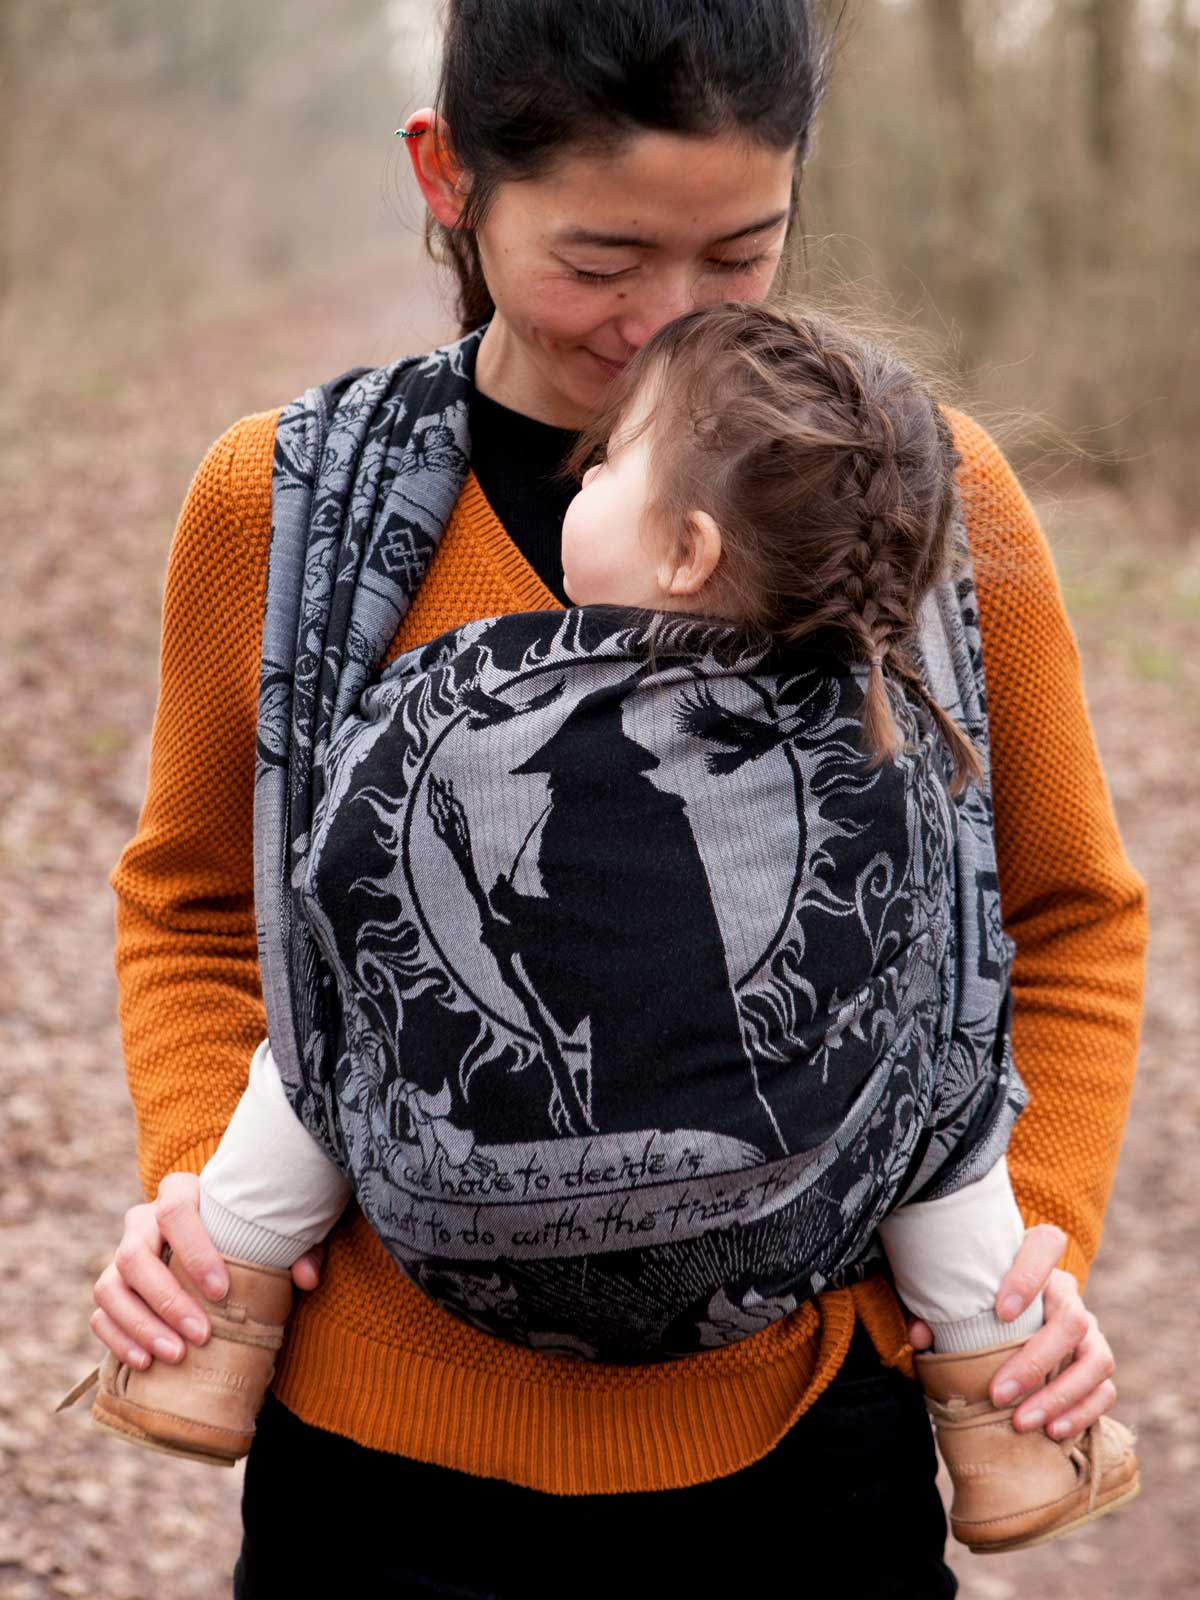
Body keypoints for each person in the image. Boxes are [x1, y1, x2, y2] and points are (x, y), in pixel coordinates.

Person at [82, 4, 1146, 1595]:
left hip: (805, 1466)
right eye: (600, 260)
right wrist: (196, 1184)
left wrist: (1031, 1234)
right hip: (383, 1467)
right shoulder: (292, 512)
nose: (665, 319)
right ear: (450, 177)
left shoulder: (919, 497)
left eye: (739, 253)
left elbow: (1063, 916)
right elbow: (192, 907)